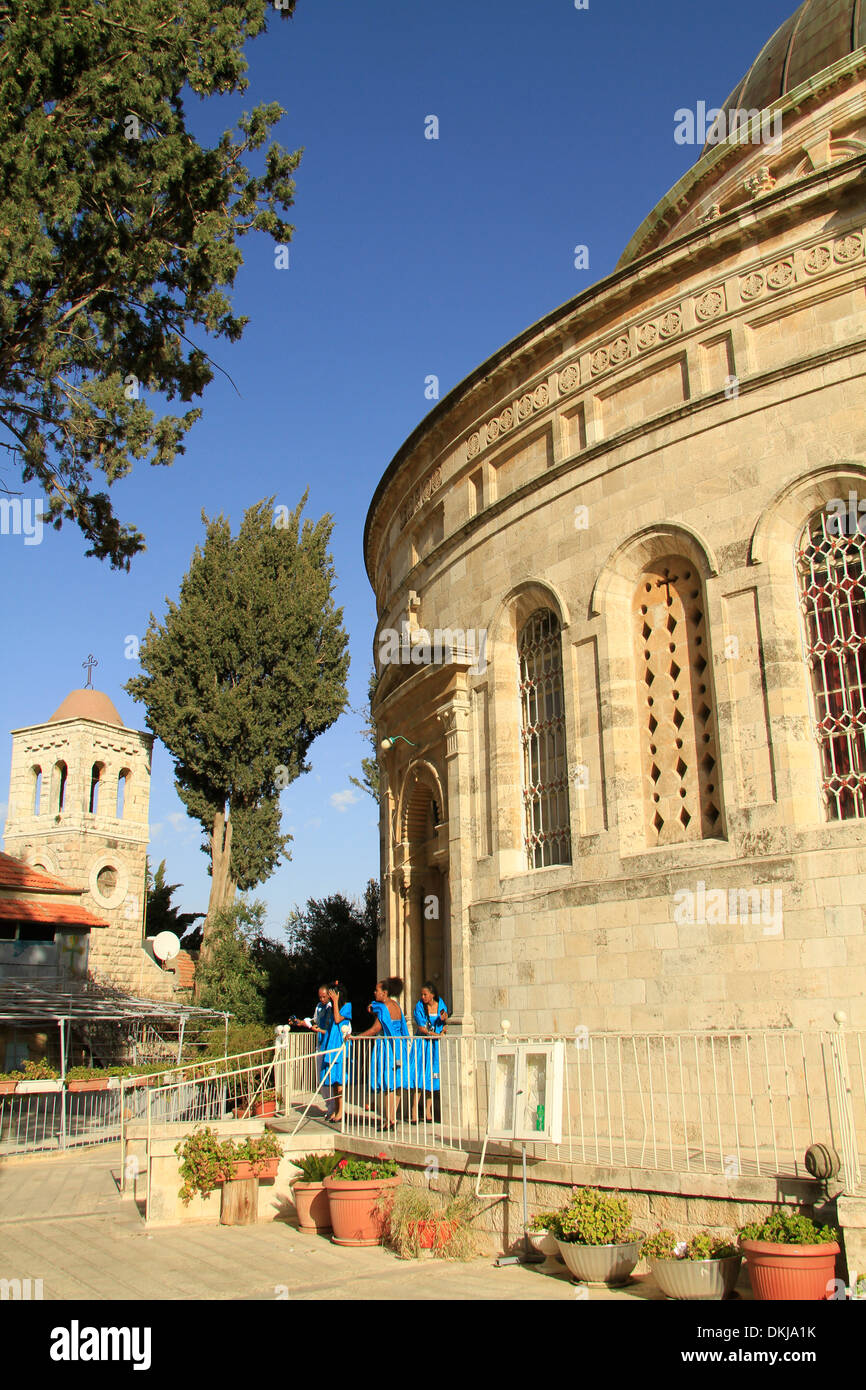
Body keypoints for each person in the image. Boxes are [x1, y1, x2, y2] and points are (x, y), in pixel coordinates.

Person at [350, 977, 412, 1130]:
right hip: (400, 1048)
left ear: (384, 993)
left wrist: (355, 1037)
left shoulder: (384, 1008)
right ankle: (392, 1117)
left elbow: (375, 1029)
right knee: (396, 1084)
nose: (374, 992)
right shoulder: (396, 1006)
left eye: (377, 990)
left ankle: (388, 1119)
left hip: (388, 1048)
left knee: (387, 1083)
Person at [411, 981, 448, 1122]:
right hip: (423, 1045)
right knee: (420, 1076)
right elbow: (421, 1028)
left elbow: (444, 1021)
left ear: (432, 995)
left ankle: (428, 1111)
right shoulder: (420, 1007)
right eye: (422, 994)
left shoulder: (440, 1004)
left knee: (432, 1077)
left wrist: (444, 1023)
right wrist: (435, 1035)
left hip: (434, 1047)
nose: (423, 996)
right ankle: (415, 1109)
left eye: (425, 994)